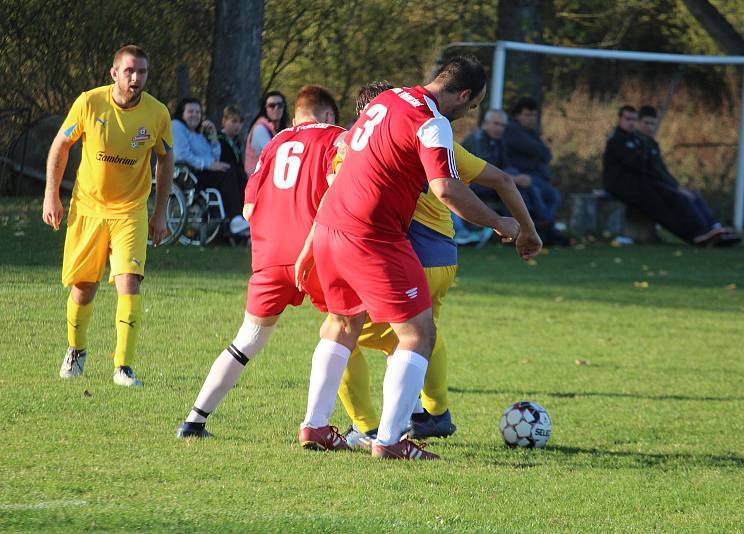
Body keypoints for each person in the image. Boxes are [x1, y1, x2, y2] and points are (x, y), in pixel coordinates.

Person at [294, 56, 527, 461]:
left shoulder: (387, 100)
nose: (465, 117)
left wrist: (311, 243)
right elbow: (447, 190)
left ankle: (314, 425)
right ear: (463, 95)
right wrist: (499, 223)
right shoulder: (433, 122)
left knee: (342, 323)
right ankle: (389, 440)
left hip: (331, 224)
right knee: (420, 334)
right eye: (469, 109)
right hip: (373, 235)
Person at [176, 85, 344, 439]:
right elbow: (338, 192)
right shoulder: (336, 138)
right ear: (328, 115)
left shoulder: (275, 143)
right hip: (314, 252)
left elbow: (249, 208)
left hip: (268, 255)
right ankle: (338, 424)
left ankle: (194, 420)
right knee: (347, 326)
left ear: (295, 113)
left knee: (247, 340)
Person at [42, 44, 174, 387]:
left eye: (142, 72)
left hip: (130, 210)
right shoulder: (89, 102)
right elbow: (61, 144)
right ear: (114, 73)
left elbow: (166, 159)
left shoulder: (157, 114)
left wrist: (160, 213)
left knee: (129, 281)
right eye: (129, 71)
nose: (136, 78)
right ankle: (76, 350)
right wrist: (51, 195)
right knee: (84, 288)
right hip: (87, 207)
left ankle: (124, 368)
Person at [602, 106, 734, 246]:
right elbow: (638, 165)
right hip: (629, 188)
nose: (631, 123)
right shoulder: (618, 139)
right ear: (620, 119)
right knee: (668, 205)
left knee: (687, 195)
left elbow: (657, 169)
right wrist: (672, 186)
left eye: (633, 119)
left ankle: (712, 228)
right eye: (628, 119)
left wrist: (675, 185)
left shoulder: (640, 140)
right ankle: (697, 234)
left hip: (644, 185)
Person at [171, 98, 249, 236]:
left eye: (198, 112)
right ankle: (235, 219)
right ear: (181, 113)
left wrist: (213, 138)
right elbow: (181, 155)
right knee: (229, 172)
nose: (195, 114)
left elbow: (215, 157)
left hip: (205, 171)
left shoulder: (198, 134)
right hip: (190, 173)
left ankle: (243, 217)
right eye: (190, 111)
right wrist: (209, 165)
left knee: (238, 173)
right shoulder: (176, 126)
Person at [504, 97, 568, 245]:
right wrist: (538, 154)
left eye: (534, 115)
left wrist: (538, 153)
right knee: (538, 195)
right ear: (517, 115)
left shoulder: (531, 133)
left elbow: (546, 154)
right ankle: (546, 226)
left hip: (536, 177)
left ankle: (547, 225)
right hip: (522, 177)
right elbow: (538, 150)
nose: (531, 119)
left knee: (553, 196)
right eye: (527, 115)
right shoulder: (512, 130)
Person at [244, 90, 289, 175]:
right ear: (265, 109)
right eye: (272, 106)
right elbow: (275, 156)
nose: (276, 108)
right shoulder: (260, 130)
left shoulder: (283, 129)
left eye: (280, 105)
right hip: (258, 182)